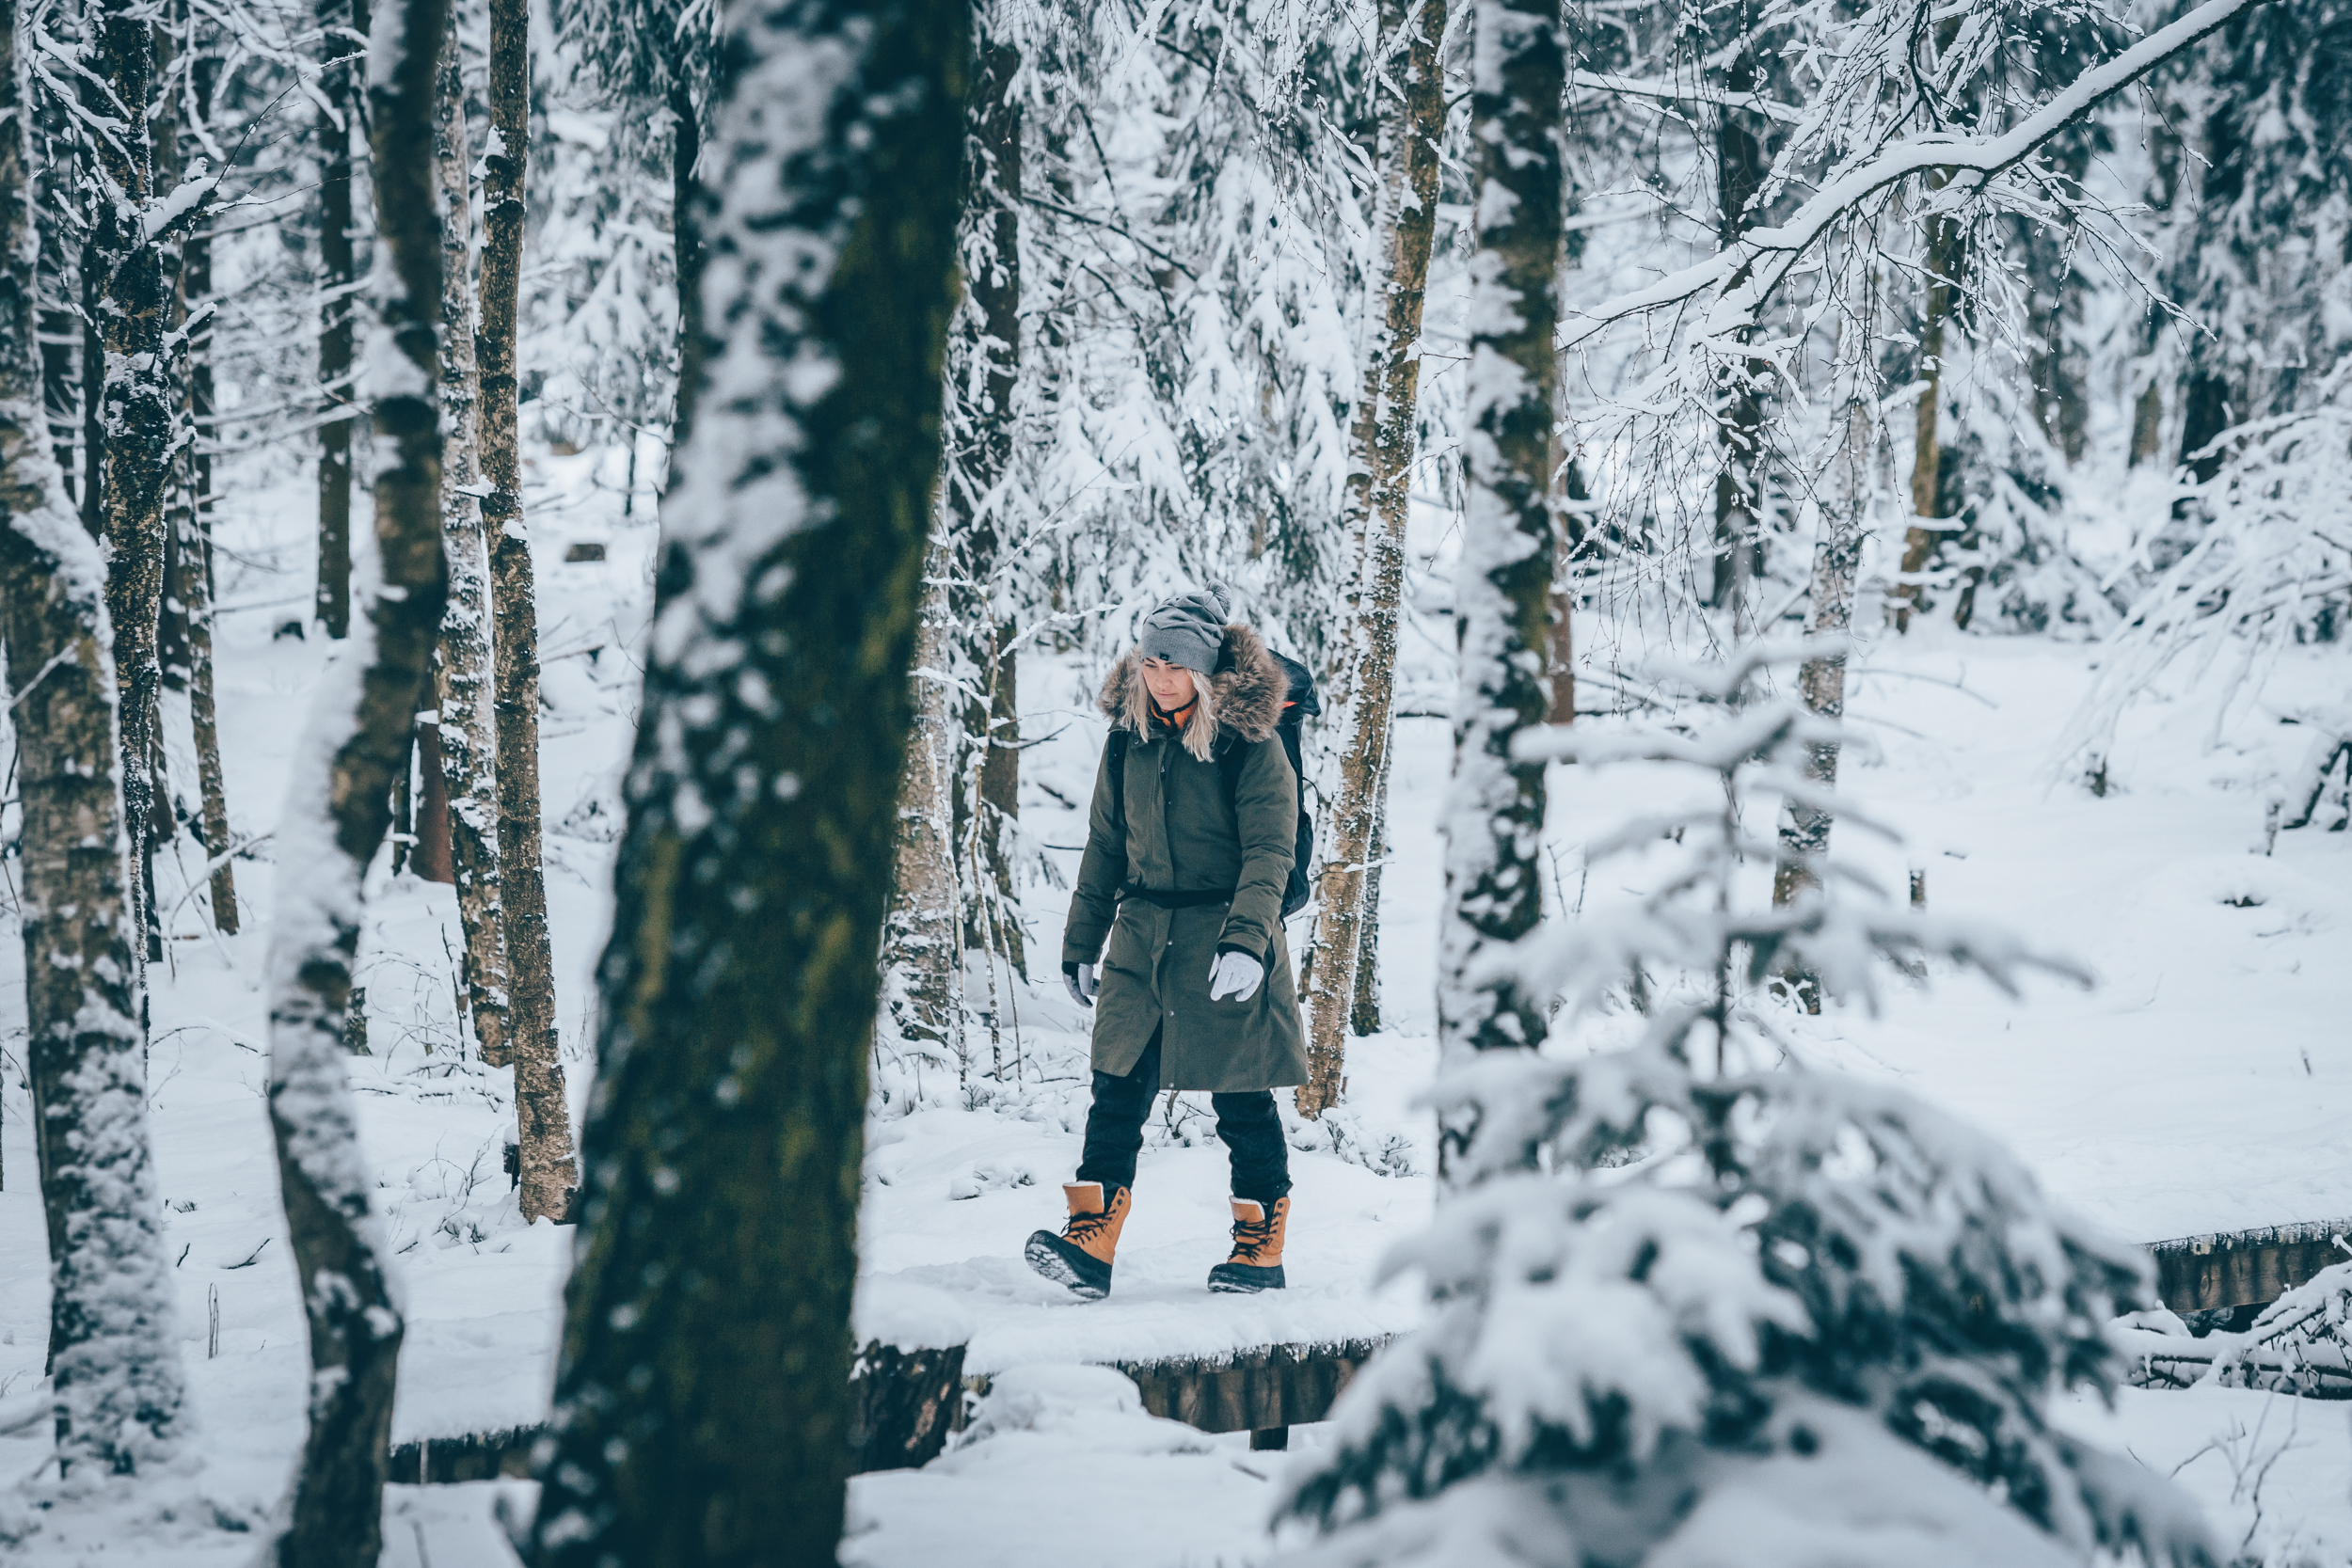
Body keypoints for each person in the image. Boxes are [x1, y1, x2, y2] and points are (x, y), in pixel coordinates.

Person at [1025, 589, 1307, 1301]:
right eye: (1149, 661)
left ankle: (1258, 1244)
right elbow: (1105, 845)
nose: (1158, 677)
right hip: (1143, 936)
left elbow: (1271, 850)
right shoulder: (1129, 736)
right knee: (1116, 1087)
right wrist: (1080, 941)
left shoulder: (1253, 742)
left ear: (1205, 668)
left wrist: (1247, 941)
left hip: (1224, 937)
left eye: (1174, 664)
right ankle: (1091, 1240)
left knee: (1241, 1097)